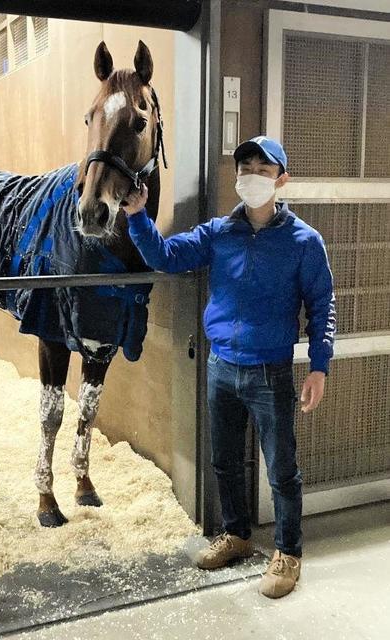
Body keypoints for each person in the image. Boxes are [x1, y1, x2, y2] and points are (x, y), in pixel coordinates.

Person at [123, 136, 336, 598]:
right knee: (223, 460)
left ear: (282, 179)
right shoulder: (219, 232)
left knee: (281, 469)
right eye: (245, 167)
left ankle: (288, 552)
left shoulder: (304, 242)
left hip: (270, 372)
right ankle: (237, 534)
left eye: (263, 168)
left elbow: (323, 307)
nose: (252, 175)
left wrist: (319, 366)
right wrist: (138, 216)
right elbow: (165, 257)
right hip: (220, 366)